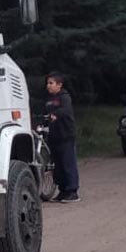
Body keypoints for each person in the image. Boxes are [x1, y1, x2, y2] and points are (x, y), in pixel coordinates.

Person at [45, 71, 80, 203]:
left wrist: (56, 114)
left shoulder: (64, 97)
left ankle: (72, 191)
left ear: (59, 85)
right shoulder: (48, 100)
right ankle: (62, 190)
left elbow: (66, 110)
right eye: (47, 83)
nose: (48, 86)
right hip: (54, 137)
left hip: (66, 136)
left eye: (51, 83)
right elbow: (46, 115)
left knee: (68, 164)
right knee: (58, 166)